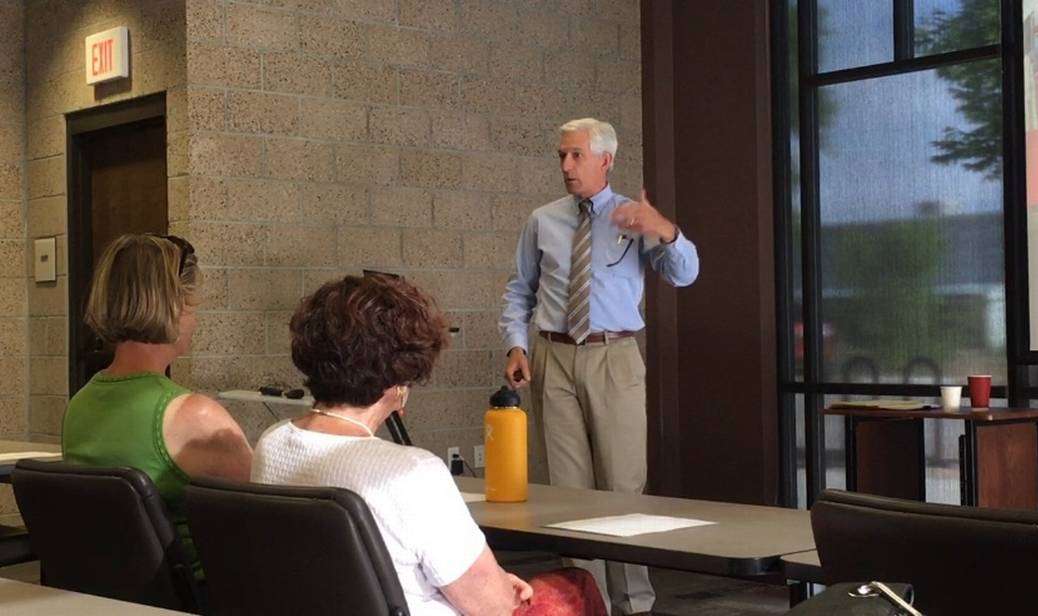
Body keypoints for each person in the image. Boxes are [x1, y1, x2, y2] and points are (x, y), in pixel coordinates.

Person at [253, 274, 606, 616]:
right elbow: (494, 607)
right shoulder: (412, 472)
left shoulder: (272, 443)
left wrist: (494, 582)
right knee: (575, 587)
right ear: (401, 377)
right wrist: (499, 585)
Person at [499, 118, 700, 615]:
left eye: (576, 156)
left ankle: (634, 603)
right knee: (569, 492)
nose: (566, 165)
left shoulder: (634, 217)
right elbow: (519, 290)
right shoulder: (543, 219)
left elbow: (686, 273)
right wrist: (516, 346)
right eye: (561, 156)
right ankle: (587, 602)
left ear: (605, 159)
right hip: (554, 356)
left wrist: (665, 230)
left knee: (623, 485)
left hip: (614, 357)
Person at [64, 233, 253, 574]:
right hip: (204, 598)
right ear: (175, 306)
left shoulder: (79, 404)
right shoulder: (194, 415)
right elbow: (271, 517)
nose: (194, 321)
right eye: (193, 307)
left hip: (116, 597)